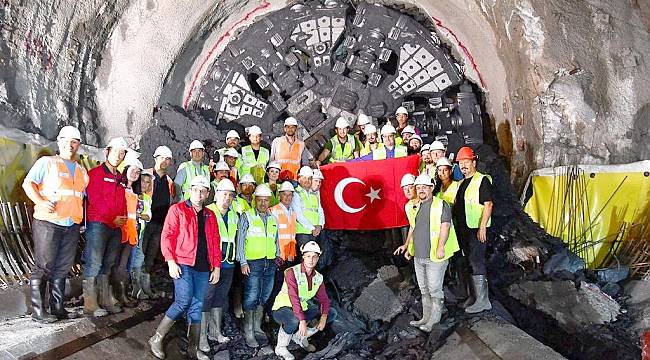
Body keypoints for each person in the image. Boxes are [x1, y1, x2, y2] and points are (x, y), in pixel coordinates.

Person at [148, 175, 221, 360]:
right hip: (183, 263)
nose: (199, 193)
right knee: (183, 301)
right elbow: (167, 236)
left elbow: (214, 241)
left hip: (204, 266)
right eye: (196, 189)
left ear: (207, 194)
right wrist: (171, 261)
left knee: (197, 305)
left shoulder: (210, 215)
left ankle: (193, 348)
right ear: (190, 190)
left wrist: (217, 266)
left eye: (203, 191)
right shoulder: (178, 209)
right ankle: (157, 338)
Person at [22, 125, 88, 322]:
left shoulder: (81, 171)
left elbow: (80, 197)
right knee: (44, 265)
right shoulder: (47, 162)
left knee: (62, 267)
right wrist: (41, 201)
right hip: (49, 222)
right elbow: (28, 183)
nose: (70, 145)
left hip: (71, 225)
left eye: (74, 142)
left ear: (78, 146)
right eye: (67, 141)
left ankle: (57, 308)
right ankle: (38, 311)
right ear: (59, 142)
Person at [398, 174, 459, 332]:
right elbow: (415, 228)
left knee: (434, 289)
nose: (421, 190)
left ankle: (434, 321)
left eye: (424, 187)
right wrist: (409, 249)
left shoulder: (441, 204)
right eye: (418, 188)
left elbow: (445, 226)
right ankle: (425, 318)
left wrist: (440, 246)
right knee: (423, 288)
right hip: (419, 255)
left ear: (431, 188)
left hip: (435, 255)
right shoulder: (416, 207)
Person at [83, 137, 129, 316]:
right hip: (99, 224)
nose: (119, 155)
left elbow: (123, 200)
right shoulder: (95, 173)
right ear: (107, 152)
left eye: (122, 152)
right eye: (116, 151)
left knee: (108, 264)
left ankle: (104, 299)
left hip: (115, 226)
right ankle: (90, 303)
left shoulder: (121, 178)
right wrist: (113, 218)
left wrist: (122, 218)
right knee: (94, 263)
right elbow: (95, 200)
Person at [272, 241, 336, 360]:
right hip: (282, 308)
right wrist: (302, 321)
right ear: (303, 257)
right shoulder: (291, 272)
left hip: (302, 308)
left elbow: (324, 300)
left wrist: (323, 317)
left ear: (318, 258)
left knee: (331, 313)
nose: (311, 260)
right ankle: (281, 347)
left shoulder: (318, 277)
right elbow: (294, 297)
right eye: (308, 256)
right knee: (294, 319)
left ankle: (299, 337)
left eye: (314, 257)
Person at [236, 184, 280, 348]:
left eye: (266, 200)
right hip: (252, 262)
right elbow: (240, 240)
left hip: (269, 262)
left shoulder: (273, 218)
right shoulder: (246, 216)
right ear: (255, 200)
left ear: (269, 200)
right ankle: (248, 330)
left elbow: (276, 239)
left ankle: (257, 326)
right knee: (252, 295)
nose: (263, 203)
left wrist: (277, 255)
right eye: (260, 200)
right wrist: (243, 261)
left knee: (265, 294)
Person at [452, 146, 493, 314]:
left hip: (476, 229)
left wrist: (482, 226)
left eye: (466, 162)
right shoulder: (461, 183)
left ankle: (483, 300)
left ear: (474, 162)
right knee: (467, 262)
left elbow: (488, 204)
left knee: (476, 262)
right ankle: (473, 296)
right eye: (461, 163)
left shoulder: (481, 180)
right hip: (463, 229)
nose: (463, 166)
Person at [202, 179, 239, 349]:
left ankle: (215, 332)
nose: (227, 198)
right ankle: (201, 336)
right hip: (211, 263)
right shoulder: (207, 212)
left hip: (228, 263)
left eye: (231, 195)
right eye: (224, 194)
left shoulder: (233, 214)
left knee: (220, 297)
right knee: (206, 298)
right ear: (216, 195)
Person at [141, 145, 175, 296]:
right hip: (145, 222)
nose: (165, 162)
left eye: (168, 159)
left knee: (151, 255)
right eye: (162, 158)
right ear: (155, 158)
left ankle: (145, 287)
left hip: (160, 224)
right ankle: (135, 287)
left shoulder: (169, 181)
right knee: (139, 255)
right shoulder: (146, 175)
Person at [114, 158, 143, 308]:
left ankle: (123, 294)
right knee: (118, 264)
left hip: (131, 231)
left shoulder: (135, 192)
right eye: (132, 170)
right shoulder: (119, 187)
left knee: (125, 266)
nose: (135, 174)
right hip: (120, 230)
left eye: (138, 172)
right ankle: (118, 296)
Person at [130, 172, 152, 300]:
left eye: (147, 182)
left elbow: (148, 216)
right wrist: (139, 215)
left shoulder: (147, 198)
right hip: (129, 231)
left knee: (139, 257)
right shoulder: (131, 194)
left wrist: (137, 215)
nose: (145, 184)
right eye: (143, 181)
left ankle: (136, 289)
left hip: (141, 232)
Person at [291, 167, 324, 249]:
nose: (307, 181)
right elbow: (298, 214)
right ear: (299, 179)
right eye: (304, 178)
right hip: (303, 232)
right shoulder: (296, 193)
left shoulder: (314, 194)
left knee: (315, 257)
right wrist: (312, 228)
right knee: (305, 258)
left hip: (316, 231)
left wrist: (320, 225)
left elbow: (320, 210)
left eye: (309, 178)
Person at [270, 182, 298, 264]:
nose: (287, 197)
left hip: (290, 254)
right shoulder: (273, 211)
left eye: (290, 195)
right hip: (278, 255)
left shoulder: (293, 212)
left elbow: (292, 235)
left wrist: (291, 253)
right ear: (280, 195)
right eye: (284, 194)